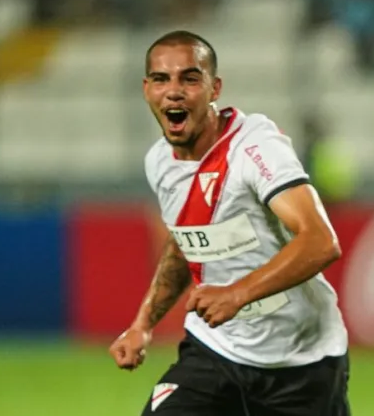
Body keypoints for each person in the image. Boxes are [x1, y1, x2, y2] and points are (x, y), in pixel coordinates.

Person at [108, 30, 350, 416]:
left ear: (214, 87)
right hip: (215, 351)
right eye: (161, 79)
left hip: (302, 362)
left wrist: (237, 293)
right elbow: (184, 244)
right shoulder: (159, 161)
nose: (174, 91)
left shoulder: (255, 149)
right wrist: (143, 323)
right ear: (146, 89)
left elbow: (321, 241)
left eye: (189, 78)